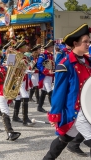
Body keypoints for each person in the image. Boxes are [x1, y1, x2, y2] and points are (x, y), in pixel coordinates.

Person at [43, 23, 91, 159]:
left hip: (87, 109)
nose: (88, 44)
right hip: (75, 112)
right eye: (85, 42)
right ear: (75, 43)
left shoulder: (88, 61)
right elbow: (59, 92)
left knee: (63, 140)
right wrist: (55, 114)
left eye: (89, 41)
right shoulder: (65, 64)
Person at [0, 49, 21, 139]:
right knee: (5, 110)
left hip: (6, 93)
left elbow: (10, 80)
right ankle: (10, 132)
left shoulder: (5, 69)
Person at [11, 39, 35, 126]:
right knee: (25, 96)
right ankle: (25, 119)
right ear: (20, 48)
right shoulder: (14, 55)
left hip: (23, 78)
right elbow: (10, 67)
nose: (27, 47)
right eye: (25, 46)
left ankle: (15, 116)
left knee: (18, 97)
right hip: (17, 78)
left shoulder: (24, 56)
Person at [36, 40, 55, 113]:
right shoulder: (43, 55)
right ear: (48, 47)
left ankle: (39, 107)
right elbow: (39, 65)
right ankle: (53, 108)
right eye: (51, 47)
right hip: (45, 76)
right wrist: (46, 71)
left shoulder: (51, 55)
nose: (52, 48)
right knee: (50, 91)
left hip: (50, 75)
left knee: (44, 91)